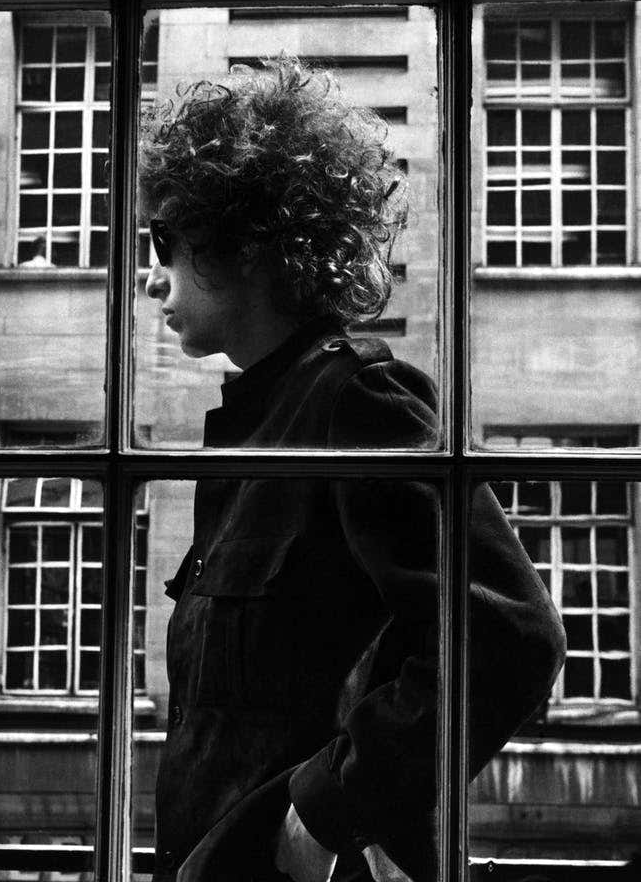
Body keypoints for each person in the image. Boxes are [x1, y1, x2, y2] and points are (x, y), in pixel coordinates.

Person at [140, 57, 566, 882]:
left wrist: (324, 816)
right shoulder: (252, 427)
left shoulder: (358, 398)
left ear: (248, 243)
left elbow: (508, 633)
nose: (152, 274)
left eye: (166, 240)